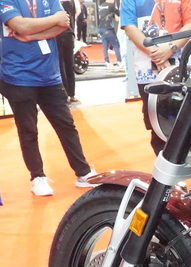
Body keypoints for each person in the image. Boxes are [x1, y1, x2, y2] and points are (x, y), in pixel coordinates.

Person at [0, 0, 97, 196]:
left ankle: (83, 172)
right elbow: (20, 25)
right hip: (17, 74)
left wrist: (31, 35)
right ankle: (37, 177)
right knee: (28, 129)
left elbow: (63, 25)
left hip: (49, 75)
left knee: (66, 125)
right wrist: (52, 20)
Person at [120, 0, 191, 154]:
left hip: (180, 66)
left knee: (189, 116)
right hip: (147, 70)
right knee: (157, 122)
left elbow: (190, 24)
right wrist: (157, 55)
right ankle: (164, 162)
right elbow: (129, 27)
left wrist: (170, 49)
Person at [57, 0, 79, 103]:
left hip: (58, 34)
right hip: (69, 34)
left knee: (61, 66)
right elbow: (76, 13)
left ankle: (65, 95)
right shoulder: (72, 2)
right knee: (69, 65)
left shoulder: (56, 3)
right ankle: (72, 94)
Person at [98, 0, 122, 69]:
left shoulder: (101, 5)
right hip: (108, 28)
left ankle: (107, 61)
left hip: (101, 28)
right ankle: (119, 61)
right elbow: (118, 16)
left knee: (105, 46)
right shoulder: (112, 6)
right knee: (115, 45)